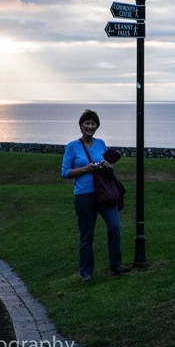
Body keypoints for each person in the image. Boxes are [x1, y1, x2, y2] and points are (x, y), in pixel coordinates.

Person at [61, 109, 131, 282]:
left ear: (97, 126)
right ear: (81, 125)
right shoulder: (73, 146)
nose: (90, 126)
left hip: (104, 194)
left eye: (93, 124)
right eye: (87, 123)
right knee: (87, 235)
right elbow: (65, 173)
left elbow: (109, 167)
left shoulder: (101, 144)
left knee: (114, 227)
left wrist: (107, 165)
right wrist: (86, 169)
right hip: (84, 195)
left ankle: (116, 264)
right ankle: (86, 272)